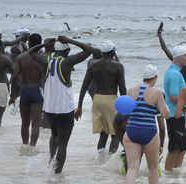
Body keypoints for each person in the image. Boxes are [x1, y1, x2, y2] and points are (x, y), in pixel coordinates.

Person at [27, 36, 97, 173]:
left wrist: (45, 44)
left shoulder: (44, 60)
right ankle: (57, 172)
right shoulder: (67, 62)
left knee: (54, 136)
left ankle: (51, 165)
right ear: (67, 51)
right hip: (65, 109)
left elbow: (31, 52)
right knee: (63, 144)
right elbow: (89, 50)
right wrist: (70, 40)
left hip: (49, 109)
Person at [123, 65, 170, 184]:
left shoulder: (132, 90)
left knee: (132, 167)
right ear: (155, 77)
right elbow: (165, 114)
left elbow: (125, 110)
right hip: (149, 131)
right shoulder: (157, 93)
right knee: (153, 168)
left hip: (132, 130)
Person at [76, 40, 126, 154]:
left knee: (103, 135)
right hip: (111, 100)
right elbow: (122, 88)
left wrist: (79, 106)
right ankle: (110, 159)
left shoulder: (93, 64)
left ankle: (100, 159)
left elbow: (84, 86)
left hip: (98, 99)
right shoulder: (117, 66)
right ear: (112, 51)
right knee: (115, 134)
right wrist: (126, 108)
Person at [10, 33, 45, 145]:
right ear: (40, 44)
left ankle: (24, 145)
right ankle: (32, 147)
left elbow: (14, 77)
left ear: (29, 43)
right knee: (35, 124)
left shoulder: (21, 57)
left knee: (25, 123)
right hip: (37, 91)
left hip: (25, 91)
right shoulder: (43, 58)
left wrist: (12, 95)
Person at [164, 45, 186, 172]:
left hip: (177, 115)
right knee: (174, 148)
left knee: (183, 147)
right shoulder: (174, 73)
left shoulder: (174, 71)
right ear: (177, 57)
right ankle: (169, 173)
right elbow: (174, 98)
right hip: (175, 115)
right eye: (185, 55)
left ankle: (176, 170)